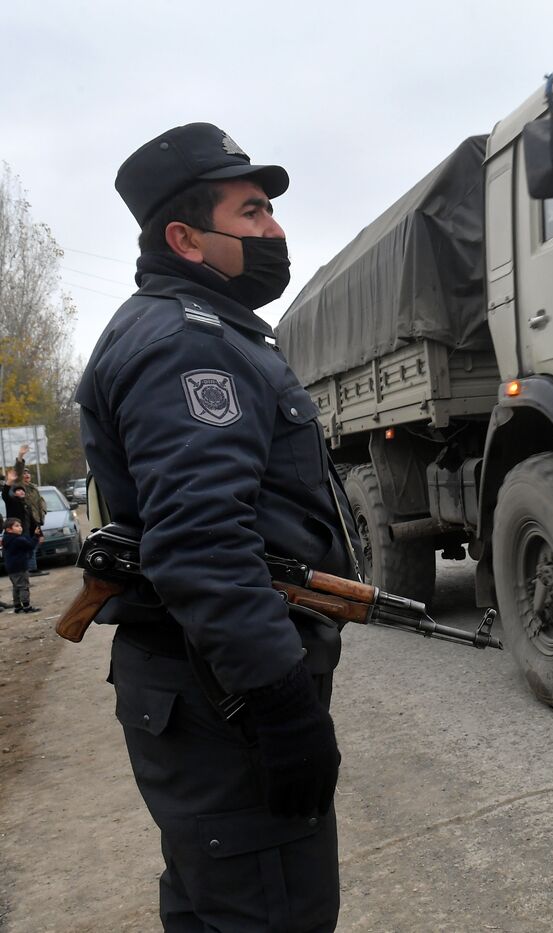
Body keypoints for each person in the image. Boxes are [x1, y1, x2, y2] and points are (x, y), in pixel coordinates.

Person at [76, 123, 360, 932]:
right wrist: (281, 703)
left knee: (214, 904)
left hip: (199, 688)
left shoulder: (188, 328)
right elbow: (201, 544)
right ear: (185, 239)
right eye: (253, 212)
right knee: (271, 911)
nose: (275, 230)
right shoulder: (187, 346)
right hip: (222, 698)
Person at [11, 446, 48, 576]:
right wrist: (20, 456)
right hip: (25, 521)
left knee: (34, 543)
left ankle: (31, 568)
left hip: (35, 520)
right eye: (24, 473)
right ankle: (31, 569)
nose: (26, 475)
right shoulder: (19, 487)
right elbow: (18, 471)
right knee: (29, 544)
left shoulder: (33, 488)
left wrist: (42, 517)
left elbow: (39, 504)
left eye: (28, 473)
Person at [2, 517, 41, 613]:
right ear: (9, 529)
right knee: (24, 586)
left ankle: (17, 606)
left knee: (16, 587)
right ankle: (26, 606)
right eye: (17, 526)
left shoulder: (6, 539)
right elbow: (30, 546)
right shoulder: (18, 539)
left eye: (20, 526)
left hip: (10, 567)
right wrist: (36, 536)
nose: (20, 528)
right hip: (20, 567)